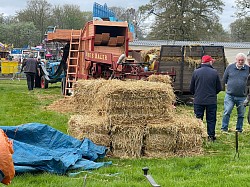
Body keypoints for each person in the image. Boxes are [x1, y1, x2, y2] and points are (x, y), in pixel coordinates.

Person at [190, 55, 222, 142]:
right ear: (209, 62)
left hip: (198, 100)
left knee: (198, 119)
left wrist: (197, 94)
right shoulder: (214, 72)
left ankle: (197, 136)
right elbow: (219, 88)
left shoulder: (196, 72)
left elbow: (191, 88)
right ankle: (211, 136)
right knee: (211, 119)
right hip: (211, 100)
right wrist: (212, 93)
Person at [221, 53, 249, 133]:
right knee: (227, 112)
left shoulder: (248, 69)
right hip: (230, 95)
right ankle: (224, 128)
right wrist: (230, 87)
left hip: (242, 96)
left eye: (242, 60)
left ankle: (239, 129)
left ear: (244, 60)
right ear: (236, 60)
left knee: (241, 114)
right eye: (239, 60)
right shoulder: (230, 67)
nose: (240, 62)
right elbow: (224, 79)